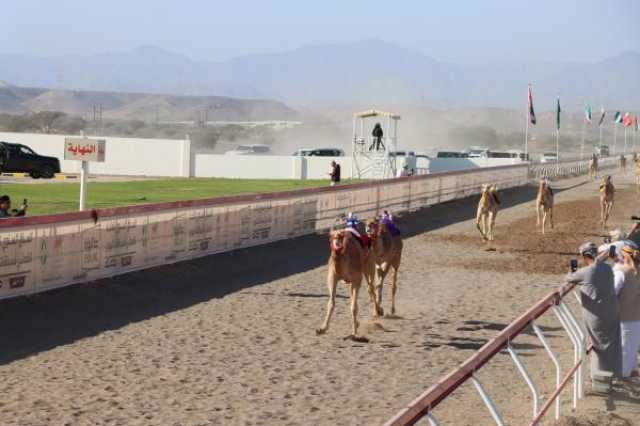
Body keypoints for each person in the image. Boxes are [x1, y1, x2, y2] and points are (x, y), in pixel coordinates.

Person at [566, 242, 622, 380]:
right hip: (612, 312)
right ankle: (613, 375)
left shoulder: (585, 272)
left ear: (585, 256)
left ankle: (599, 379)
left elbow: (569, 278)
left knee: (598, 347)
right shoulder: (607, 268)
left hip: (596, 316)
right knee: (612, 345)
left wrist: (572, 270)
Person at [612, 243, 640, 379]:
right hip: (636, 316)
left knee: (625, 350)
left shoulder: (621, 273)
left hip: (624, 317)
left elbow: (612, 293)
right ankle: (631, 371)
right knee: (632, 349)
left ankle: (623, 376)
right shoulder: (636, 271)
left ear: (623, 255)